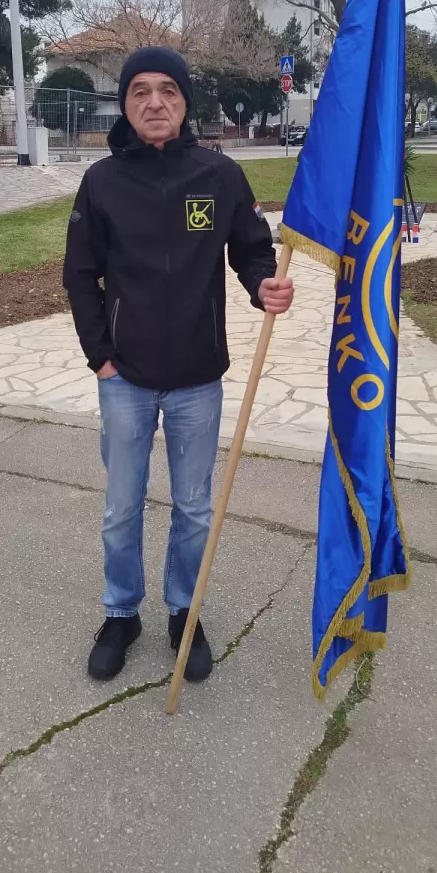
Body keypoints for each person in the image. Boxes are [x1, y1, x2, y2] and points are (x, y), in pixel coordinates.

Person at [64, 46, 294, 684]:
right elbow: (80, 276)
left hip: (197, 377)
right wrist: (100, 359)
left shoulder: (219, 176)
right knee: (121, 507)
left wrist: (262, 285)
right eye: (140, 91)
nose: (155, 102)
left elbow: (251, 251)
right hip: (125, 379)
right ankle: (121, 614)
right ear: (125, 104)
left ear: (186, 101)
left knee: (193, 509)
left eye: (168, 89)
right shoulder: (102, 182)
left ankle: (183, 613)